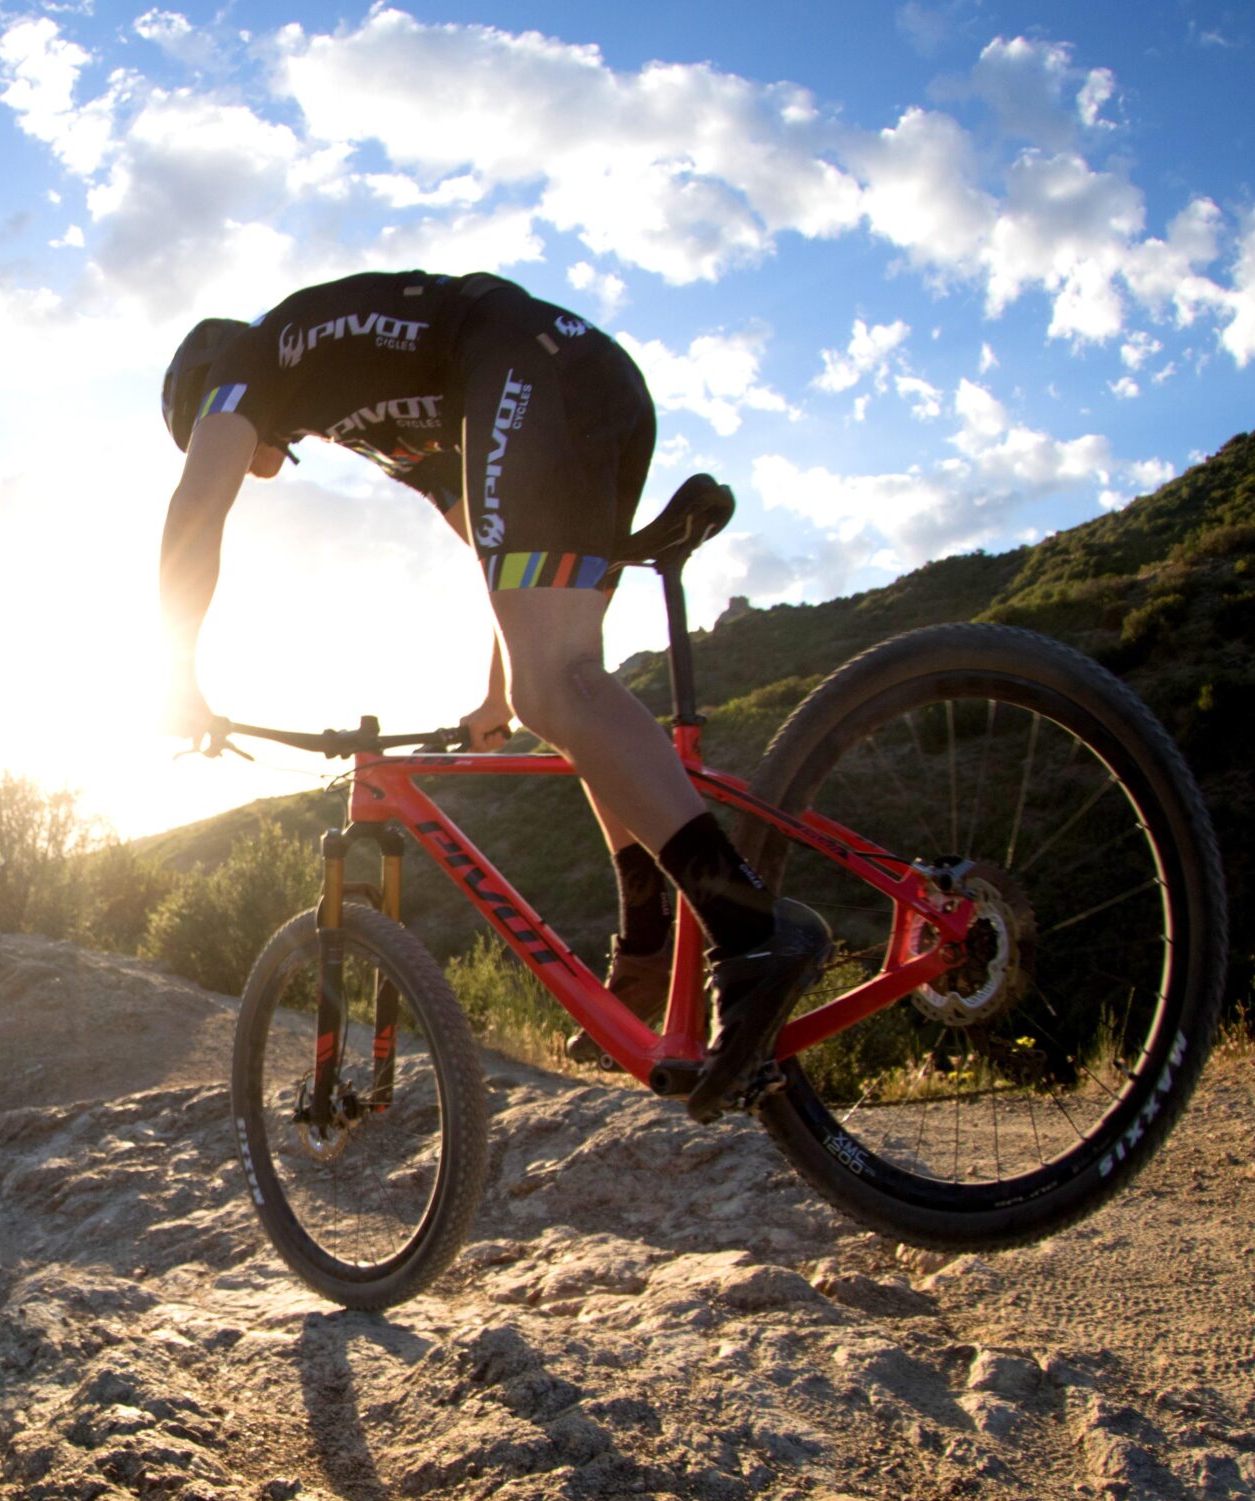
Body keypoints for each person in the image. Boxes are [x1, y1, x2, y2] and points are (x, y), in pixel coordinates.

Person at [156, 269, 830, 1119]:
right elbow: (492, 537)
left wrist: (172, 667)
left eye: (209, 435)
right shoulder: (370, 415)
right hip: (585, 379)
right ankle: (650, 933)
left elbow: (195, 509)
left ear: (203, 402)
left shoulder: (247, 358)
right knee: (564, 694)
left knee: (560, 687)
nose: (260, 468)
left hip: (530, 367)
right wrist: (495, 686)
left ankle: (749, 931)